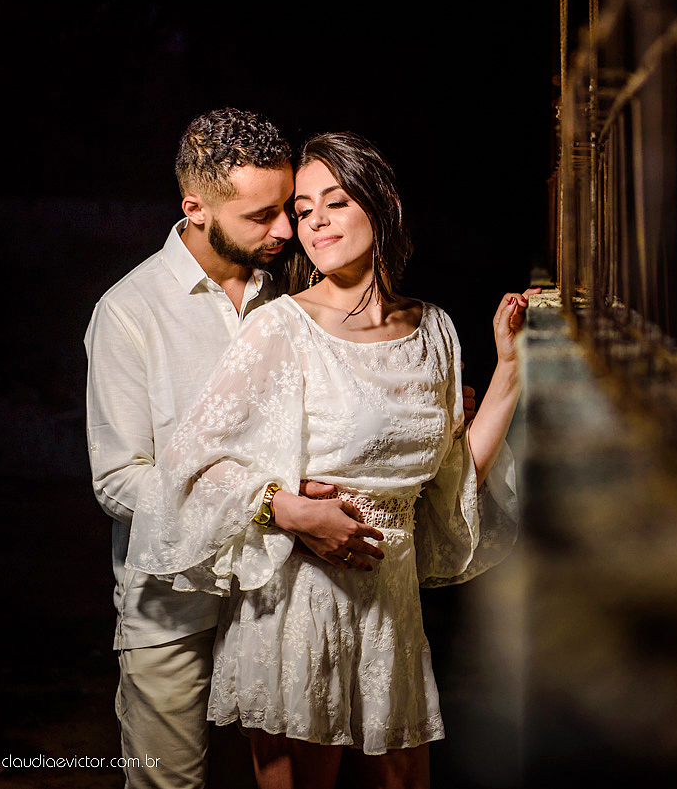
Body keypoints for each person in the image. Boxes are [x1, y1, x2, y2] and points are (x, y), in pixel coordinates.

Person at [125, 130, 533, 789]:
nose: (313, 221)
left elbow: (454, 483)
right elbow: (189, 468)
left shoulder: (434, 328)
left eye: (334, 202)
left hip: (393, 621)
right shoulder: (280, 328)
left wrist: (510, 370)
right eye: (303, 207)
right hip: (300, 610)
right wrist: (287, 508)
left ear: (382, 205)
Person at [85, 109, 412, 789]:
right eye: (264, 216)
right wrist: (271, 507)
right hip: (169, 607)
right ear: (196, 208)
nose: (288, 230)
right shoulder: (129, 311)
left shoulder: (293, 290)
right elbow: (119, 479)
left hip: (281, 600)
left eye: (287, 208)